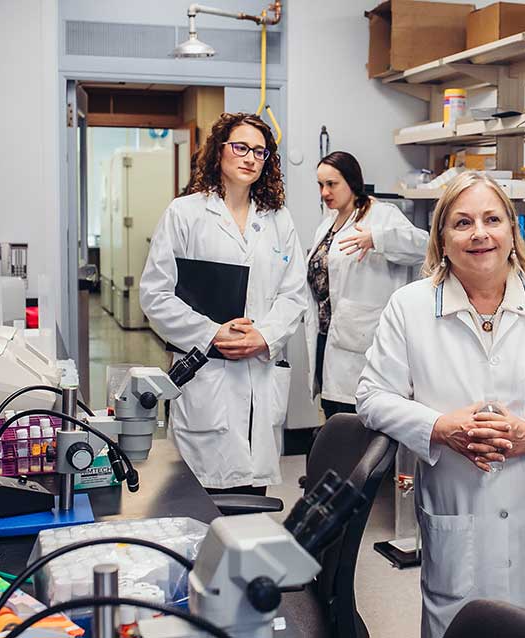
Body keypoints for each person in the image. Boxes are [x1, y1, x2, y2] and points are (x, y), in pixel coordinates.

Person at [357, 171, 525, 638]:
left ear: (512, 231)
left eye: (492, 219)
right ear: (441, 237)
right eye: (462, 222)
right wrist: (441, 427)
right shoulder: (410, 307)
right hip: (463, 524)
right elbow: (372, 397)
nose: (479, 233)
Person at [139, 112, 307, 496]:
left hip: (259, 372)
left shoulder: (278, 219)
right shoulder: (185, 213)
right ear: (219, 152)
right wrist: (213, 333)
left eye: (260, 152)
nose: (250, 158)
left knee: (251, 499)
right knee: (199, 504)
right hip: (207, 374)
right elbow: (155, 294)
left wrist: (263, 337)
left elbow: (294, 292)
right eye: (241, 147)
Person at [304, 151, 428, 419]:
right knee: (333, 414)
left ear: (351, 181)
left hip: (361, 340)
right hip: (326, 337)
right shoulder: (326, 225)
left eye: (332, 184)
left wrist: (379, 239)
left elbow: (424, 246)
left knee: (357, 421)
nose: (325, 192)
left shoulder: (381, 215)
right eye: (320, 185)